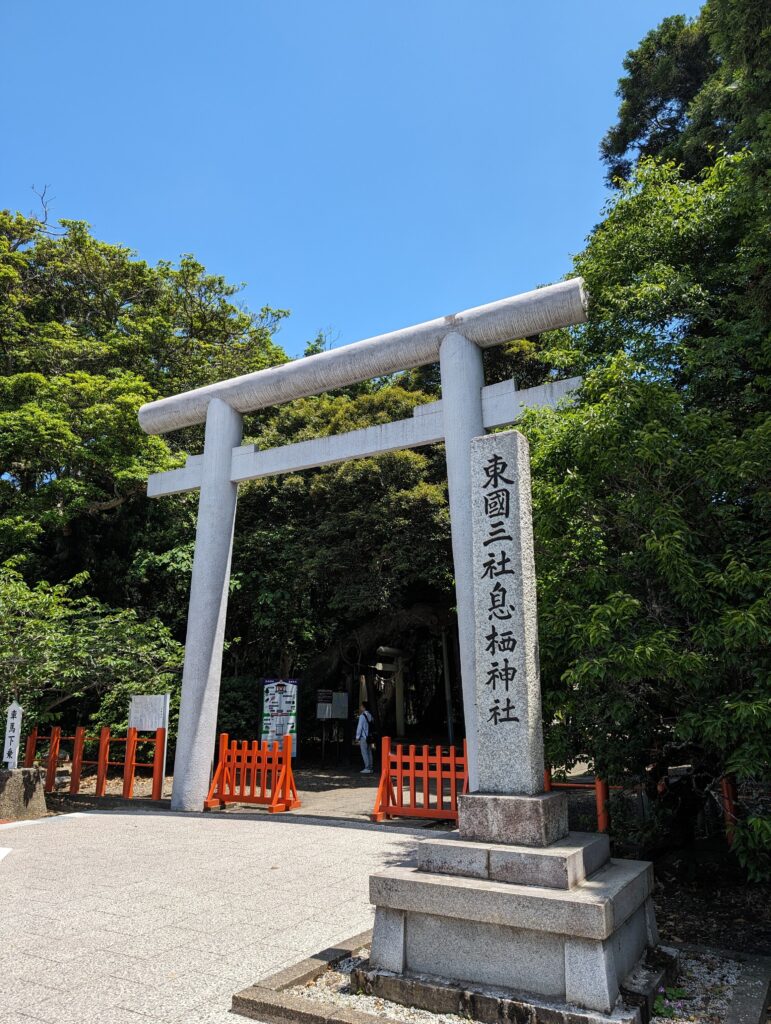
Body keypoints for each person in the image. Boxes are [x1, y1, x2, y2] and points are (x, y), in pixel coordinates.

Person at [356, 700, 374, 774]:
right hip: (369, 736)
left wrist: (357, 737)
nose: (360, 707)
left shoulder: (362, 716)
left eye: (361, 706)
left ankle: (367, 767)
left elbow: (359, 727)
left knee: (364, 752)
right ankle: (370, 767)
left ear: (363, 707)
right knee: (369, 752)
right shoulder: (370, 715)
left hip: (364, 737)